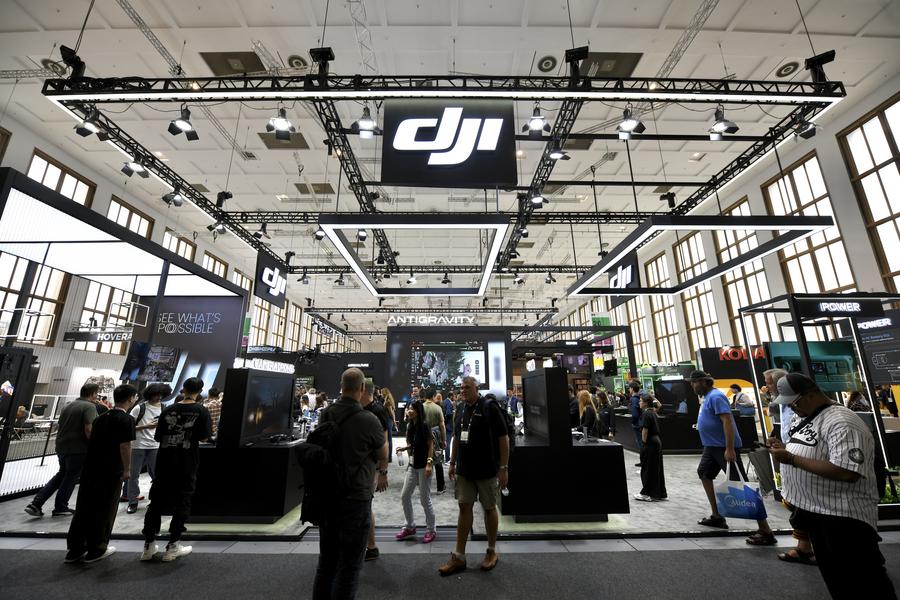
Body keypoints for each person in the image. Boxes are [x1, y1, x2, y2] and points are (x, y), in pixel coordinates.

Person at [768, 373, 897, 600]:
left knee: (864, 581)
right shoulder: (809, 416)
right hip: (819, 513)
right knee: (838, 579)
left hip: (843, 518)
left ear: (810, 395)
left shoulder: (842, 422)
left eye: (794, 403)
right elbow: (811, 448)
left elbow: (847, 471)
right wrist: (784, 448)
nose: (792, 408)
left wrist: (792, 459)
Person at [312, 368, 388, 600]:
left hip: (328, 496)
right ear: (362, 388)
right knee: (349, 568)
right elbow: (383, 453)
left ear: (341, 386)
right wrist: (382, 471)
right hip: (356, 497)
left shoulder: (326, 414)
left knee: (326, 563)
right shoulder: (369, 419)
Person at [689, 370, 776, 545]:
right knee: (704, 473)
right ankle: (717, 516)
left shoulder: (716, 396)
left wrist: (729, 448)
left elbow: (727, 421)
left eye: (694, 382)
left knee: (742, 485)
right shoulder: (707, 397)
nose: (692, 385)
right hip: (711, 446)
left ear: (705, 382)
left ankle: (765, 530)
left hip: (723, 446)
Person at [439, 376, 509, 576]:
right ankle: (459, 556)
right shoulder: (460, 408)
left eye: (467, 387)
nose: (463, 390)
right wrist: (452, 462)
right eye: (461, 388)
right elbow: (456, 438)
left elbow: (503, 438)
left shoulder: (489, 407)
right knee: (464, 507)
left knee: (489, 508)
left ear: (477, 388)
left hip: (486, 469)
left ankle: (491, 551)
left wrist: (504, 468)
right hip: (465, 469)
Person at [140, 377, 212, 563]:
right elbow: (204, 437)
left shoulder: (167, 410)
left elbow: (158, 437)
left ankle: (148, 546)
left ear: (183, 389)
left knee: (155, 502)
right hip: (187, 462)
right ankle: (173, 546)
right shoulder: (201, 411)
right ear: (200, 392)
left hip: (164, 462)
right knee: (183, 502)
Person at [64, 384, 137, 564]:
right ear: (130, 399)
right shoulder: (126, 419)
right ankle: (96, 548)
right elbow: (125, 446)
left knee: (84, 506)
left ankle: (75, 548)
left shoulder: (101, 418)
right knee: (105, 508)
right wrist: (127, 469)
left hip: (91, 467)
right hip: (111, 470)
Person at [763, 368, 815, 566]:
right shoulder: (784, 404)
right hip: (791, 455)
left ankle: (806, 548)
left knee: (804, 504)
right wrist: (780, 443)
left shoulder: (802, 408)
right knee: (798, 503)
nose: (767, 386)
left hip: (802, 459)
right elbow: (787, 427)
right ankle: (804, 546)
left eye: (769, 383)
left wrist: (793, 457)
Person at [25, 383, 100, 518]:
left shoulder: (68, 405)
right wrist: (95, 446)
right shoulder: (89, 407)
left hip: (62, 446)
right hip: (78, 448)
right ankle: (60, 506)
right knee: (70, 478)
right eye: (96, 393)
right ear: (93, 394)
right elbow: (89, 429)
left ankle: (36, 503)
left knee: (62, 474)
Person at [395, 400, 437, 544]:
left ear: (418, 411)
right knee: (405, 496)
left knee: (425, 499)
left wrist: (429, 463)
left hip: (424, 466)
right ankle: (410, 526)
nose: (409, 410)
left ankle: (431, 529)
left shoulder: (424, 425)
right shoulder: (410, 425)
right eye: (408, 408)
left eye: (411, 408)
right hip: (412, 466)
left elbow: (430, 444)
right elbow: (413, 444)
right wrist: (404, 448)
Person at [125, 383, 170, 514]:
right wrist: (146, 426)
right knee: (134, 475)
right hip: (138, 445)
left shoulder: (164, 408)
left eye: (161, 394)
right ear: (150, 394)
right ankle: (132, 502)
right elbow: (129, 427)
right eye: (156, 394)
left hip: (155, 445)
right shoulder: (139, 408)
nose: (159, 397)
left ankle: (156, 500)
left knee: (156, 475)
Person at [634, 395, 667, 502]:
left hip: (650, 442)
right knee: (656, 468)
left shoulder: (646, 413)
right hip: (656, 441)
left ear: (645, 403)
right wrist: (651, 397)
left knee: (647, 469)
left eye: (641, 401)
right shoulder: (653, 411)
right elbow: (659, 405)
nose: (639, 402)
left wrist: (644, 443)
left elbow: (645, 430)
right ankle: (659, 493)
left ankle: (647, 493)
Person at [422, 387, 447, 495]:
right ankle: (440, 487)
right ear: (433, 396)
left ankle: (424, 488)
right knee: (438, 461)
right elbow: (442, 425)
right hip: (436, 436)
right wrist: (444, 440)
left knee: (424, 460)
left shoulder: (421, 407)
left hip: (423, 436)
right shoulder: (437, 408)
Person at [628, 380, 644, 463]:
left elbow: (634, 414)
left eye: (629, 388)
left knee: (640, 443)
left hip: (637, 424)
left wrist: (633, 423)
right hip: (641, 422)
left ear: (632, 389)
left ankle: (643, 461)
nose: (629, 390)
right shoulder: (639, 397)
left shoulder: (634, 399)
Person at [382, 387, 397, 463]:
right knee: (388, 439)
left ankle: (389, 457)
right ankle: (388, 457)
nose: (381, 394)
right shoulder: (388, 400)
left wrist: (394, 422)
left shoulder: (387, 401)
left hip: (388, 421)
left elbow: (391, 413)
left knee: (389, 439)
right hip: (388, 420)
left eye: (382, 392)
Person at [442, 390, 455, 462]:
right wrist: (453, 412)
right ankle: (447, 459)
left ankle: (444, 458)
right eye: (454, 396)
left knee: (444, 442)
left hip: (444, 425)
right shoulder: (449, 403)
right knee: (448, 443)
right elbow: (448, 413)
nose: (454, 397)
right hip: (448, 426)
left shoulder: (444, 402)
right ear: (451, 396)